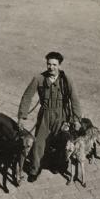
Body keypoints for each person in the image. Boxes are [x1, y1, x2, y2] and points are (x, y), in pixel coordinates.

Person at [18, 51, 82, 182]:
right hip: (45, 115)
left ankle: (57, 165)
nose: (51, 67)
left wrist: (76, 119)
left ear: (59, 65)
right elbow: (27, 96)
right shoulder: (39, 78)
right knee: (39, 143)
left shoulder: (66, 79)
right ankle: (35, 169)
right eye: (49, 64)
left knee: (61, 141)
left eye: (54, 65)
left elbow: (74, 99)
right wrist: (22, 116)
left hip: (62, 115)